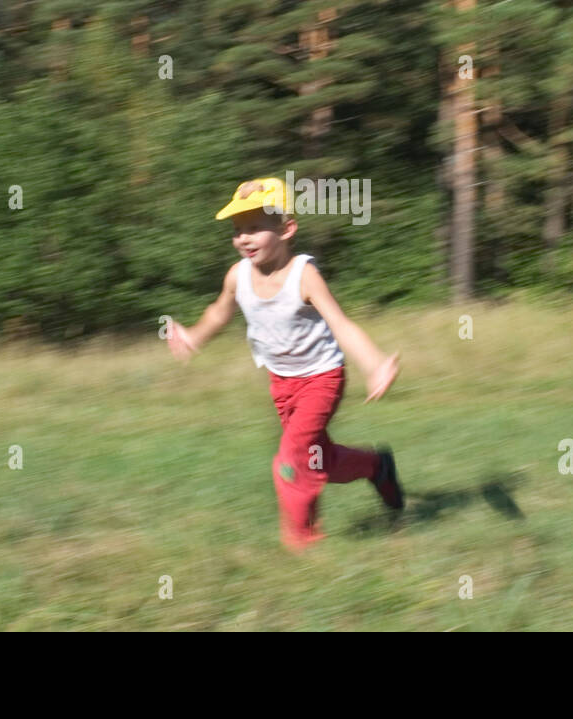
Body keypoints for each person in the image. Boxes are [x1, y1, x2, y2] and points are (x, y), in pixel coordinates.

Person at [167, 177, 403, 551]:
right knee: (317, 457)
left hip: (322, 379)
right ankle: (377, 467)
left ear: (287, 228)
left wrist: (374, 363)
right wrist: (193, 337)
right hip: (282, 382)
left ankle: (303, 543)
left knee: (291, 460)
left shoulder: (303, 276)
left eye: (255, 228)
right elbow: (219, 313)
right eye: (237, 230)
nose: (243, 238)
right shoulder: (237, 276)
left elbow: (340, 324)